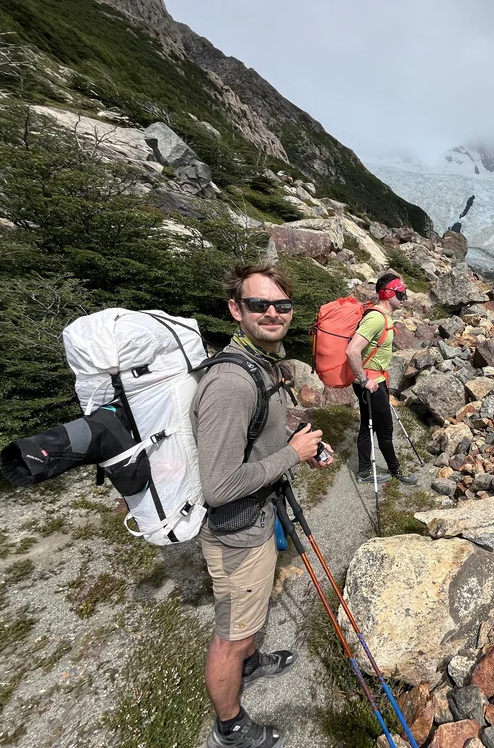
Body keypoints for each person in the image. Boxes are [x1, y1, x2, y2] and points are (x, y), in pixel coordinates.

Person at [192, 261, 333, 748]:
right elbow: (219, 485)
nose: (272, 312)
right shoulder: (231, 383)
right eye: (258, 304)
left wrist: (297, 442)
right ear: (236, 309)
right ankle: (230, 727)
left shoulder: (262, 362)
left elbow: (259, 436)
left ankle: (252, 664)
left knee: (247, 619)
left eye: (282, 304)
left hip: (258, 517)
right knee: (231, 634)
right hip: (237, 530)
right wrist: (291, 455)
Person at [344, 272, 418, 486]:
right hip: (371, 385)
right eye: (401, 294)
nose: (404, 298)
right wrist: (365, 379)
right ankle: (395, 470)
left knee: (369, 427)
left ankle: (365, 470)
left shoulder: (384, 316)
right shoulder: (376, 318)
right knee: (385, 429)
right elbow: (352, 351)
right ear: (388, 294)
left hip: (375, 381)